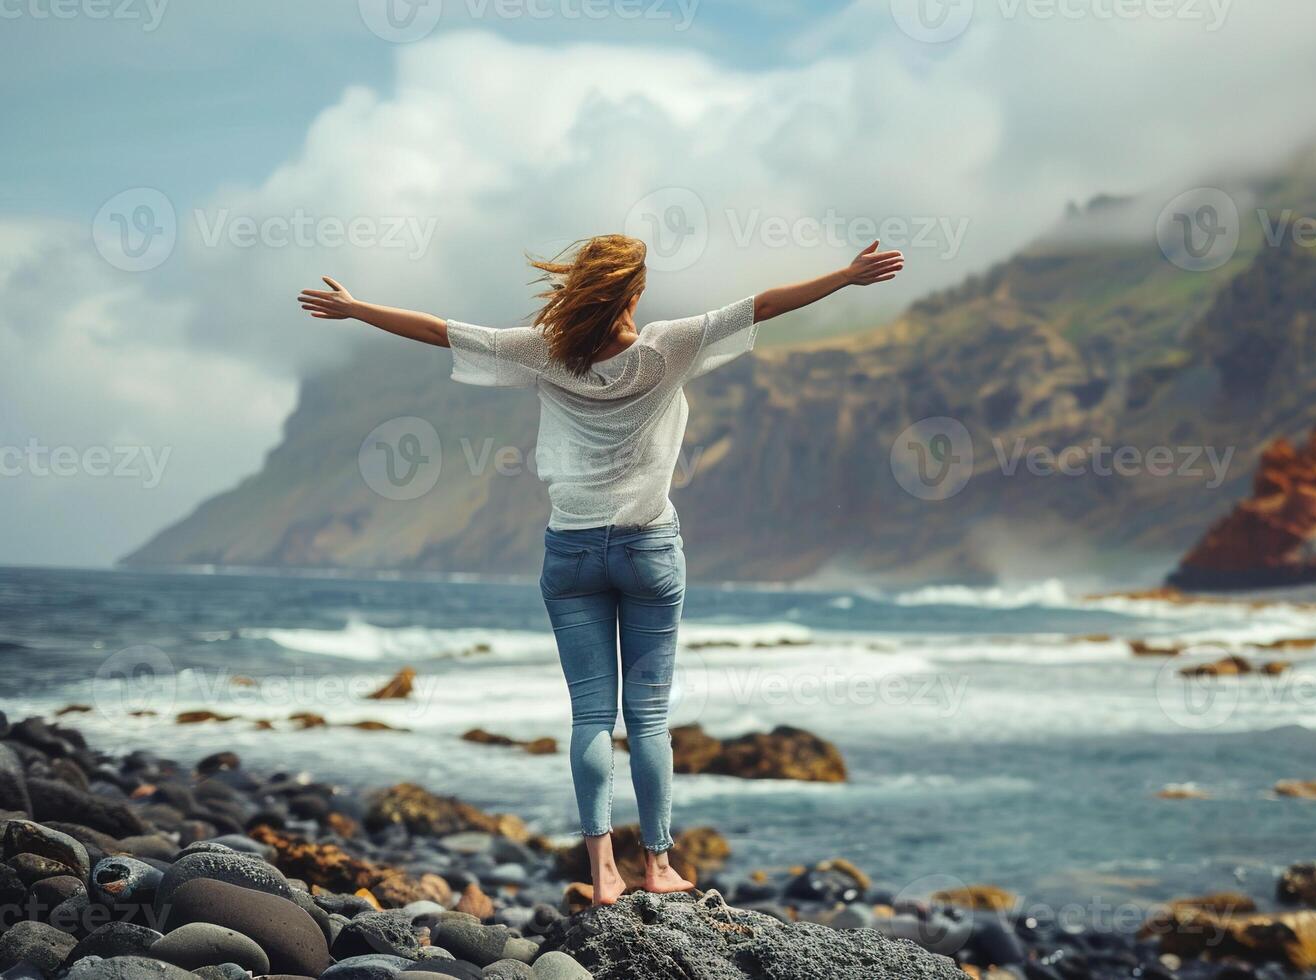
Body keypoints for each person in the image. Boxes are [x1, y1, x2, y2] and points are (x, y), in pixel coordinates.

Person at [296, 236, 905, 902]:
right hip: (647, 550)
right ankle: (658, 866)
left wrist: (356, 310)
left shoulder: (544, 350)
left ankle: (602, 871)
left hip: (571, 553)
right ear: (635, 292)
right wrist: (846, 277)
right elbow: (761, 306)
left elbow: (442, 332)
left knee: (591, 718)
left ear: (585, 288)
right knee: (645, 720)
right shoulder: (667, 346)